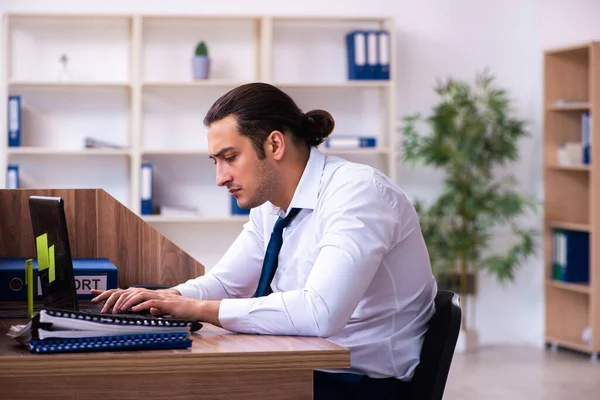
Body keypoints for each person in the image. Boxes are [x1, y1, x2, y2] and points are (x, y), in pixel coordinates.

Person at [91, 82, 437, 400]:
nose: (220, 177)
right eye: (216, 161)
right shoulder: (271, 207)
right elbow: (228, 282)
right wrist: (169, 298)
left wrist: (196, 309)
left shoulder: (358, 193)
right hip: (305, 368)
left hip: (362, 385)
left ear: (274, 144)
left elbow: (320, 313)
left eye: (230, 158)